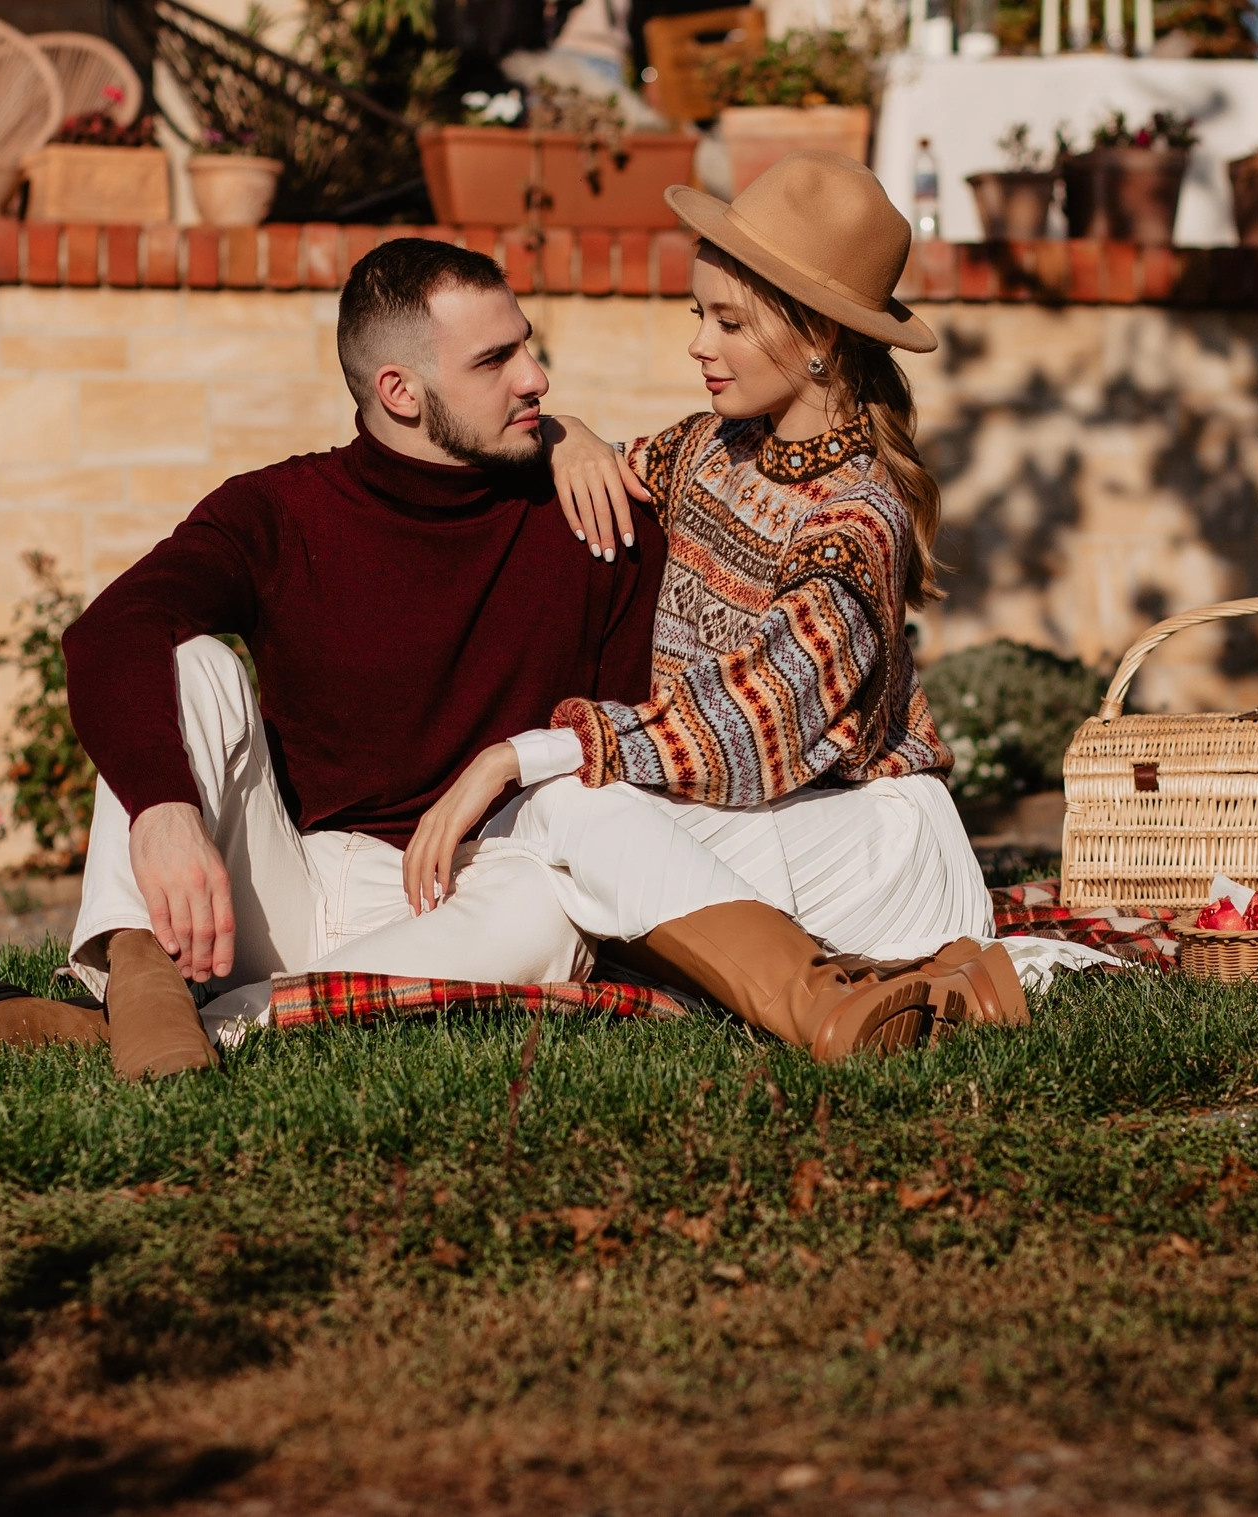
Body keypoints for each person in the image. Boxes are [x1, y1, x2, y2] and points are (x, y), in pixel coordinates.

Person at [0, 234, 1002, 1078]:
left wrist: (565, 443)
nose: (537, 375)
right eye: (497, 361)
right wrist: (169, 807)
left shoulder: (591, 516)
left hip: (475, 894)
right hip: (288, 878)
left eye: (529, 345)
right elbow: (110, 629)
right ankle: (139, 968)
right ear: (401, 390)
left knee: (555, 892)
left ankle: (199, 1028)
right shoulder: (281, 510)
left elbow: (733, 698)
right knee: (185, 667)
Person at [394, 151, 1022, 1061]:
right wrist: (570, 437)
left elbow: (755, 719)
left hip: (871, 842)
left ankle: (834, 1001)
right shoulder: (711, 451)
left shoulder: (859, 518)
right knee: (536, 852)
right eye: (700, 315)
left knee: (563, 809)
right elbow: (610, 461)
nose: (699, 342)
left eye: (728, 320)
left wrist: (524, 750)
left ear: (818, 337)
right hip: (762, 826)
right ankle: (267, 1006)